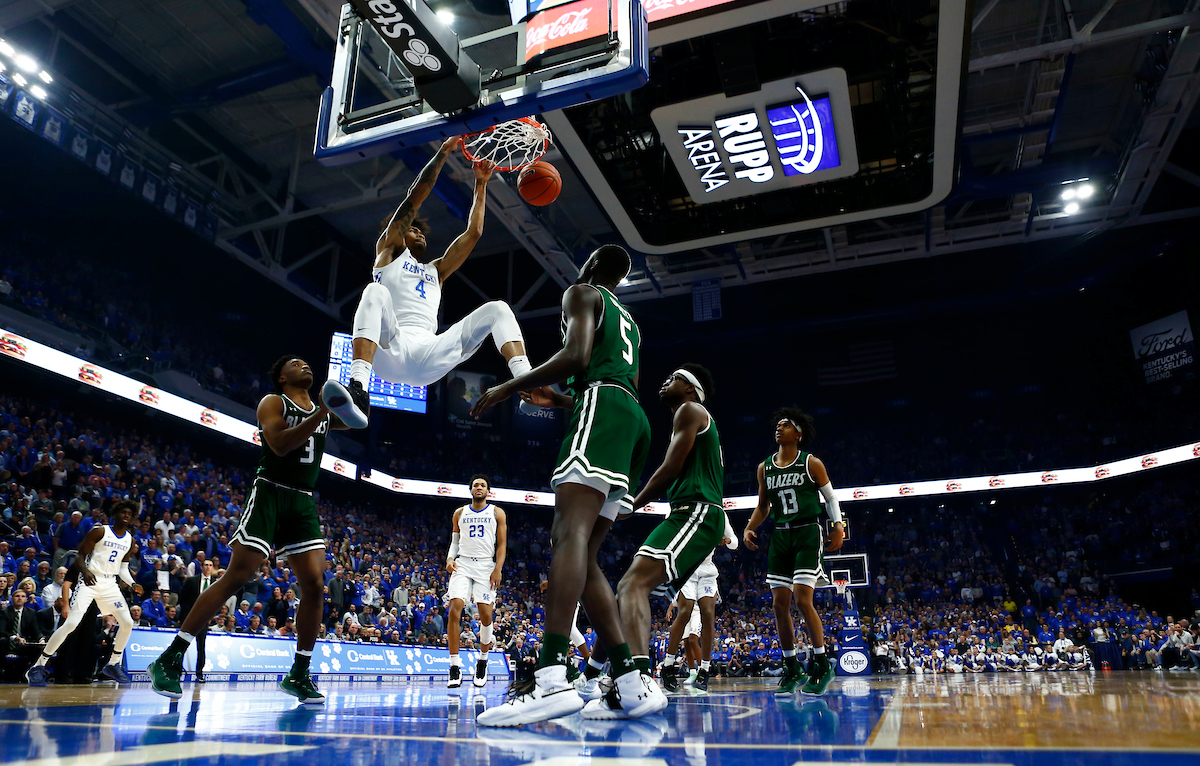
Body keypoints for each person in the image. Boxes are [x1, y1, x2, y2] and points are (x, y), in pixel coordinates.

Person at [470, 244, 656, 726]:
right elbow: (602, 374)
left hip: (604, 409)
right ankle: (632, 680)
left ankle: (552, 676)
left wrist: (509, 386)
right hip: (632, 421)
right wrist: (557, 400)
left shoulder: (581, 292)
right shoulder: (627, 318)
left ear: (591, 266)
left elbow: (575, 356)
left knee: (565, 534)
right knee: (586, 552)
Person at [147, 355, 348, 704]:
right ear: (282, 378)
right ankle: (170, 657)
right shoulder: (274, 402)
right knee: (237, 576)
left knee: (316, 584)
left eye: (306, 363)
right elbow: (280, 444)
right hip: (270, 490)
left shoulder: (323, 409)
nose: (305, 366)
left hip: (302, 501)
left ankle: (299, 674)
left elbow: (359, 419)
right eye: (295, 364)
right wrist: (322, 413)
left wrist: (364, 376)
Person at [322, 139, 529, 429]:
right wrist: (443, 152)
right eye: (412, 229)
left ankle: (527, 381)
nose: (418, 232)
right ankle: (358, 390)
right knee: (375, 291)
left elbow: (474, 233)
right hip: (392, 346)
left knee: (498, 309)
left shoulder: (437, 271)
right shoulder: (388, 251)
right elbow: (412, 200)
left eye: (421, 230)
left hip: (430, 355)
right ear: (400, 233)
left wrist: (481, 185)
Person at [591, 363, 725, 719]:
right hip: (691, 512)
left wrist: (633, 502)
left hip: (695, 510)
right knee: (627, 592)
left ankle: (637, 682)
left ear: (691, 389)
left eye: (674, 377)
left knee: (631, 584)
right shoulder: (688, 415)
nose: (665, 381)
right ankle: (591, 676)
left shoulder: (691, 410)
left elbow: (671, 467)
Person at [742, 408, 845, 696]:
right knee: (778, 605)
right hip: (780, 536)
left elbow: (830, 496)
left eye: (786, 425)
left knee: (802, 599)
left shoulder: (811, 463)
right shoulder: (765, 467)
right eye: (778, 424)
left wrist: (838, 526)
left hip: (807, 533)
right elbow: (764, 506)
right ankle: (791, 666)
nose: (779, 427)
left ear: (798, 434)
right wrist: (750, 527)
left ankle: (822, 663)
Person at [27, 499, 138, 686]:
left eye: (130, 513)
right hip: (90, 581)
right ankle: (38, 665)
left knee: (127, 623)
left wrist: (133, 583)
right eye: (123, 512)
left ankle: (113, 663)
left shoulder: (130, 540)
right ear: (115, 515)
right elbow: (79, 557)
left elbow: (123, 569)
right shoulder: (100, 531)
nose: (126, 516)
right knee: (70, 624)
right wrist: (85, 571)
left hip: (110, 584)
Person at [661, 509, 738, 693]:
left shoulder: (718, 513)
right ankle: (668, 665)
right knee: (685, 611)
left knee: (709, 615)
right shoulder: (679, 508)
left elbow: (735, 543)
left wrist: (726, 540)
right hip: (687, 566)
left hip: (707, 570)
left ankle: (704, 669)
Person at [445, 474, 507, 688]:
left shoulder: (497, 512)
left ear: (488, 491)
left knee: (486, 614)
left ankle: (483, 660)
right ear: (470, 490)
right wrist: (450, 558)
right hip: (463, 564)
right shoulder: (459, 513)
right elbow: (454, 542)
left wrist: (498, 569)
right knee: (455, 609)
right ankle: (454, 667)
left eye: (482, 485)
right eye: (475, 485)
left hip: (485, 566)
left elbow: (501, 545)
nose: (478, 487)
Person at [178, 558, 219, 682]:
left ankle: (199, 673)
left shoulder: (216, 583)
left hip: (204, 620)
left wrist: (210, 616)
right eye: (206, 565)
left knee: (201, 647)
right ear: (201, 567)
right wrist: (187, 616)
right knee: (182, 646)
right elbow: (182, 599)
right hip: (189, 618)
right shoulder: (192, 580)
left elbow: (217, 602)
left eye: (210, 565)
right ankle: (177, 671)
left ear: (212, 568)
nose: (208, 567)